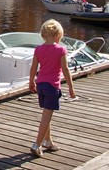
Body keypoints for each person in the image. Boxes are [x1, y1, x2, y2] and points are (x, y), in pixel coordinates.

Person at [28, 19, 76, 157]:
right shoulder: (61, 50)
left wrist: (31, 81)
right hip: (52, 86)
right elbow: (65, 69)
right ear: (58, 35)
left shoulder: (38, 49)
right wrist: (71, 88)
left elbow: (33, 67)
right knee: (46, 116)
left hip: (41, 84)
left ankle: (48, 141)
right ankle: (36, 144)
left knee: (46, 114)